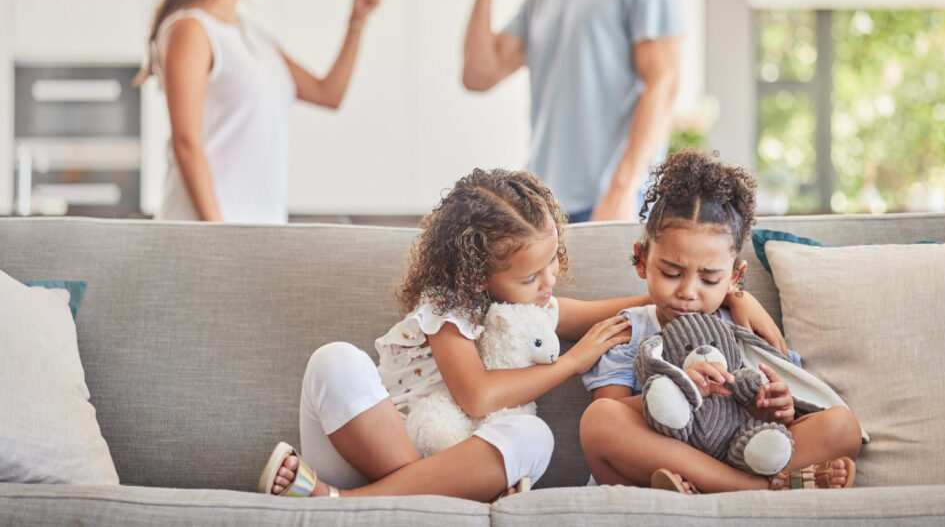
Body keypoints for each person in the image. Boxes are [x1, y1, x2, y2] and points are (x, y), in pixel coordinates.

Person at [256, 168, 783, 501]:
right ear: (476, 276)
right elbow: (478, 394)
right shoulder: (450, 306)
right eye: (530, 277)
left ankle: (353, 503)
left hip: (448, 461)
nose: (548, 283)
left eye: (552, 264)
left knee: (535, 438)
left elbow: (637, 303)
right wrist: (571, 364)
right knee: (334, 361)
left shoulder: (537, 306)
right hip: (386, 442)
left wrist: (732, 296)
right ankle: (380, 498)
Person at [579, 150, 863, 494]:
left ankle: (726, 485)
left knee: (842, 425)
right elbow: (611, 409)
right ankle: (757, 488)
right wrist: (683, 388)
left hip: (741, 451)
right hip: (666, 464)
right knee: (599, 422)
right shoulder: (631, 331)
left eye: (709, 279)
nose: (687, 292)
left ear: (734, 278)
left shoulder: (744, 331)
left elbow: (778, 419)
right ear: (642, 261)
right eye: (671, 272)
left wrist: (778, 410)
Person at [463, 0, 684, 223]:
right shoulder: (540, 0)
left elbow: (663, 83)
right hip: (543, 211)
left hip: (614, 205)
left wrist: (622, 189)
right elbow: (478, 74)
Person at [137, 0, 387, 223]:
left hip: (258, 232)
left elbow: (329, 94)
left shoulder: (258, 41)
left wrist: (357, 22)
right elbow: (187, 142)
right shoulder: (191, 29)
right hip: (202, 235)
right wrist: (220, 235)